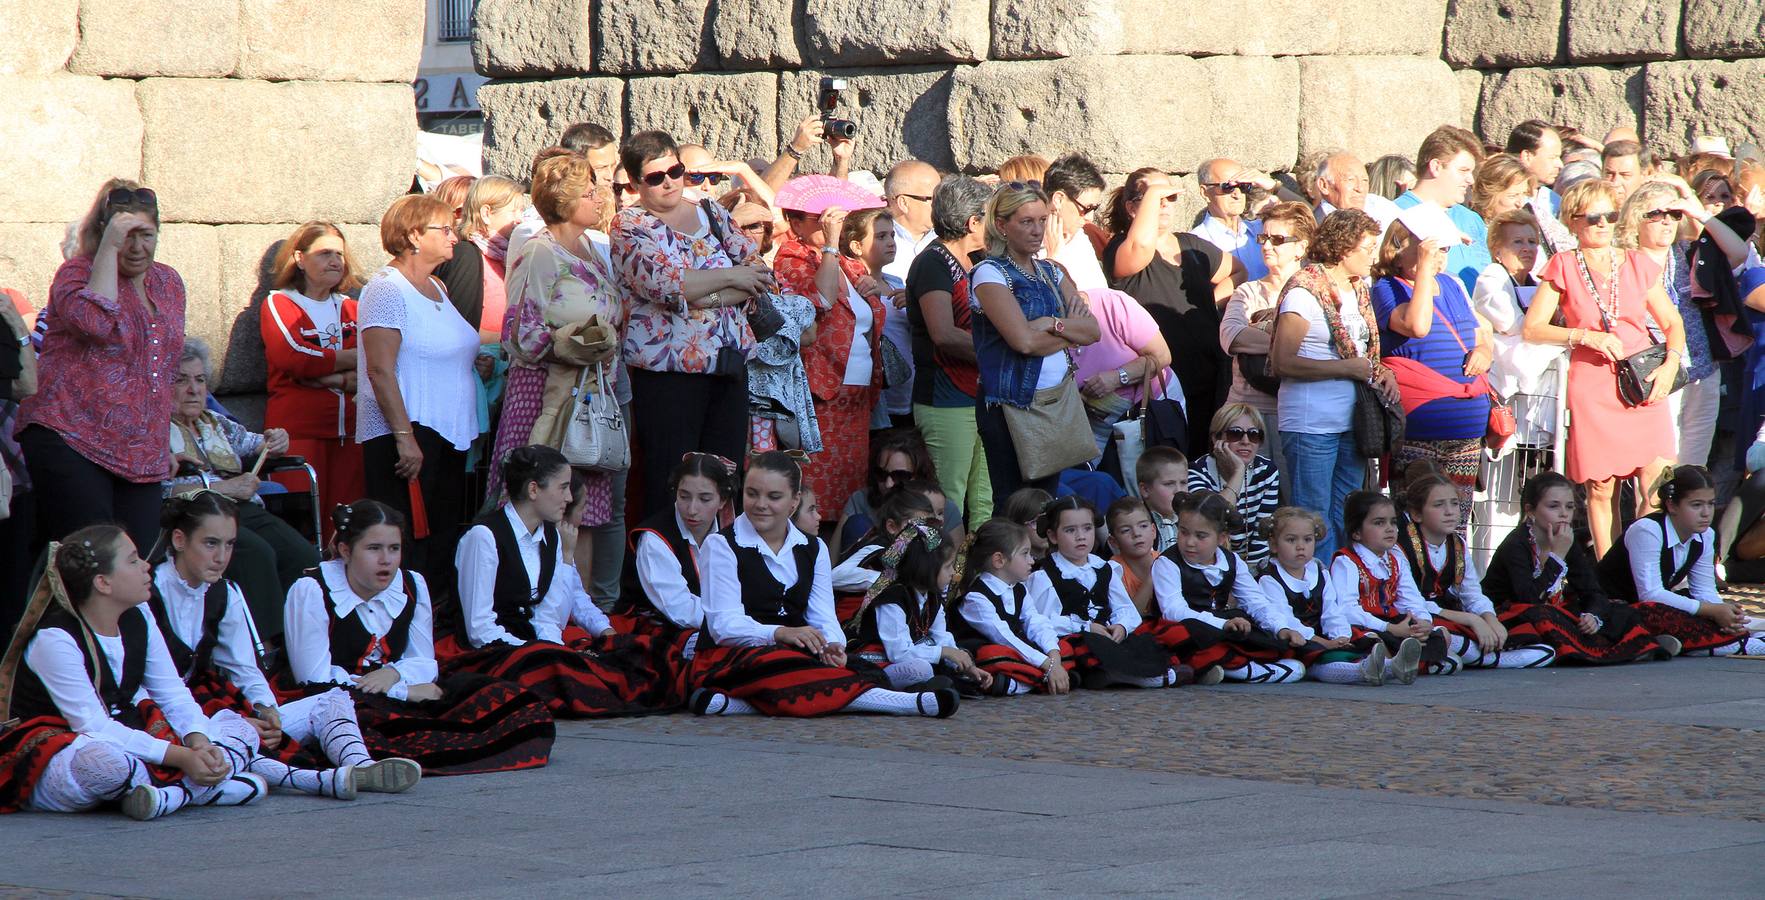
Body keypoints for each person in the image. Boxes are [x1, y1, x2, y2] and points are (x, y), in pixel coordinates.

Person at [0, 527, 344, 818]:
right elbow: (92, 727)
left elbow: (172, 692)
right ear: (103, 582)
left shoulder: (139, 616)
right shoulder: (55, 638)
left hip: (130, 738)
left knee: (238, 729)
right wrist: (182, 757)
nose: (146, 566)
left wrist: (199, 742)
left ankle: (165, 796)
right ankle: (193, 788)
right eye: (133, 560)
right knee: (106, 766)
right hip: (61, 750)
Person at [149, 493, 423, 791]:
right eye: (211, 543)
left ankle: (361, 767)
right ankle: (319, 782)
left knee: (332, 699)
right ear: (179, 540)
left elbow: (245, 669)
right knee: (240, 734)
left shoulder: (225, 592)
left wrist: (267, 710)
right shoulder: (147, 594)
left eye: (229, 544)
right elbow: (144, 687)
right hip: (161, 714)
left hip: (210, 707)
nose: (222, 557)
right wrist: (210, 725)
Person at [282, 500, 556, 775]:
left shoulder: (412, 584)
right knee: (374, 723)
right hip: (336, 697)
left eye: (394, 549)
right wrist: (400, 690)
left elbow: (424, 663)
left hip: (398, 687)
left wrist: (392, 674)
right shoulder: (312, 590)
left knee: (507, 699)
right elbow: (314, 679)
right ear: (345, 550)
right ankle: (374, 766)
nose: (386, 560)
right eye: (373, 549)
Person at [685, 451, 960, 717]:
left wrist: (832, 645)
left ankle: (734, 705)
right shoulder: (721, 545)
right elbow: (723, 625)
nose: (760, 504)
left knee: (818, 664)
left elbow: (823, 616)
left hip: (790, 650)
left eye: (774, 496)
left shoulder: (813, 547)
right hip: (731, 653)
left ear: (794, 502)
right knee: (787, 665)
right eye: (752, 493)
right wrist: (779, 632)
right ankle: (905, 703)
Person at [449, 446, 681, 717]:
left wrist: (554, 648)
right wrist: (538, 651)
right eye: (562, 488)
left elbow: (550, 618)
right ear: (533, 490)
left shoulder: (552, 536)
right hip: (491, 652)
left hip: (531, 646)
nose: (569, 497)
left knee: (636, 653)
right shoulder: (484, 537)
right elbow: (479, 629)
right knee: (564, 675)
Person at [17, 180, 183, 558]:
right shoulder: (75, 275)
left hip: (139, 451)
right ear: (103, 233)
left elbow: (161, 367)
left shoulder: (169, 282)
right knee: (95, 562)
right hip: (70, 435)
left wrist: (161, 440)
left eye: (147, 235)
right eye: (125, 236)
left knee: (137, 561)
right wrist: (107, 247)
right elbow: (94, 322)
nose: (137, 247)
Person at [1521, 179, 1687, 556]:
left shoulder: (1637, 263)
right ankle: (1608, 576)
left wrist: (1669, 365)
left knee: (1659, 485)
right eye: (1592, 217)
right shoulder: (1562, 264)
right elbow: (1532, 328)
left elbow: (1673, 323)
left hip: (1643, 379)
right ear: (1573, 222)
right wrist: (1583, 336)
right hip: (1593, 381)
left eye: (1609, 215)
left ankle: (1650, 569)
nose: (1602, 224)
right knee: (1601, 488)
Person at [613, 131, 774, 517]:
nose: (668, 181)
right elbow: (666, 285)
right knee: (673, 479)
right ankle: (668, 565)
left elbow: (759, 275)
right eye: (655, 177)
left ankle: (716, 567)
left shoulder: (712, 212)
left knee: (724, 476)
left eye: (675, 170)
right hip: (669, 376)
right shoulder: (629, 226)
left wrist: (706, 294)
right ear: (635, 183)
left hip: (728, 366)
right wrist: (730, 277)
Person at [485, 154, 625, 587]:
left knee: (580, 504)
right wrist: (577, 347)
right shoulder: (540, 252)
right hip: (544, 392)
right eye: (588, 192)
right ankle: (525, 596)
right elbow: (519, 331)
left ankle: (573, 608)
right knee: (535, 497)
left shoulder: (591, 249)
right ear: (564, 201)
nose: (599, 198)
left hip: (589, 391)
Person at [357, 193, 481, 601]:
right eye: (444, 229)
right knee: (408, 539)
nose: (454, 238)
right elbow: (380, 368)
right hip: (409, 433)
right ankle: (401, 621)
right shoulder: (386, 289)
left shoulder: (437, 285)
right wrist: (403, 435)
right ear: (413, 235)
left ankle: (435, 626)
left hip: (447, 430)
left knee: (443, 536)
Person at [167, 339, 319, 633]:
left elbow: (259, 442)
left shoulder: (215, 423)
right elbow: (160, 491)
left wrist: (276, 439)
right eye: (181, 380)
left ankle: (305, 637)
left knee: (303, 555)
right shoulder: (153, 430)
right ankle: (269, 645)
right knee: (257, 555)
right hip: (196, 516)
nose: (194, 389)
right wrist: (226, 489)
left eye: (200, 380)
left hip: (241, 509)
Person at [1270, 209, 1394, 557]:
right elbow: (1282, 361)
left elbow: (1364, 353)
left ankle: (1343, 590)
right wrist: (1345, 368)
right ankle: (1317, 595)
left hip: (1350, 422)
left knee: (1347, 516)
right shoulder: (1303, 292)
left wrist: (1382, 372)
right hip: (1311, 423)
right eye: (1368, 247)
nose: (1373, 254)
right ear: (1344, 248)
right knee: (1314, 517)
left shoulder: (1358, 290)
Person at [970, 182, 1101, 500]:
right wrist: (1067, 332)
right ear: (1002, 225)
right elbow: (1024, 343)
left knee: (1045, 501)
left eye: (1042, 220)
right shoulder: (989, 272)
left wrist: (1050, 324)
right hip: (1011, 403)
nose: (1037, 229)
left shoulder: (1052, 271)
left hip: (1054, 400)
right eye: (1026, 221)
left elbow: (1093, 331)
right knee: (1014, 502)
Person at [1370, 206, 1494, 524]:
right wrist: (1423, 268)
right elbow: (1417, 326)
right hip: (1419, 433)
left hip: (1465, 433)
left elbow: (1481, 333)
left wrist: (1483, 350)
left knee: (1455, 524)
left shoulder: (1452, 285)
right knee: (1413, 523)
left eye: (1445, 251)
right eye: (1435, 249)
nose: (1441, 258)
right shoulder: (1386, 288)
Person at [1618, 180, 1751, 469]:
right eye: (1656, 214)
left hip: (1702, 369)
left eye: (1673, 214)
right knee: (1659, 466)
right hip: (1654, 371)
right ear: (1635, 218)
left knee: (1693, 467)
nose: (1667, 221)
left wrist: (1697, 212)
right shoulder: (1623, 262)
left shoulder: (1691, 254)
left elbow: (1739, 252)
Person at [773, 193, 887, 524]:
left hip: (857, 397)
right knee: (817, 489)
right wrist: (832, 243)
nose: (830, 223)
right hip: (820, 394)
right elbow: (820, 301)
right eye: (820, 219)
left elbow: (866, 315)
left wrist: (874, 290)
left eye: (834, 217)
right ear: (795, 224)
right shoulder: (792, 258)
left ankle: (841, 553)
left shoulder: (850, 265)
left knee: (850, 490)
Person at [1481, 472, 1678, 663]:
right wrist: (1556, 556)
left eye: (1569, 507)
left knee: (1619, 610)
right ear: (1530, 510)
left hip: (1550, 610)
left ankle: (1634, 645)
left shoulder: (1567, 538)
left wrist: (1593, 615)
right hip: (1511, 615)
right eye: (1553, 506)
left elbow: (1592, 590)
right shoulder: (1517, 544)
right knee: (1544, 616)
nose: (1563, 514)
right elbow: (1528, 599)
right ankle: (1624, 647)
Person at [1104, 168, 1233, 455]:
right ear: (1131, 206)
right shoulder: (1120, 248)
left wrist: (1209, 305)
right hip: (1161, 384)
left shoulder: (1191, 245)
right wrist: (1154, 193)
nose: (1164, 204)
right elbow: (1141, 245)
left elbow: (1237, 271)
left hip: (1209, 378)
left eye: (1170, 196)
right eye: (1155, 197)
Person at [259, 222, 365, 541]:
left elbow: (375, 359)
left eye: (340, 254)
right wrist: (349, 362)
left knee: (346, 531)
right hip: (300, 433)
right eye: (325, 253)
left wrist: (331, 376)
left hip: (350, 436)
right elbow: (293, 356)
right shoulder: (280, 303)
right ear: (300, 259)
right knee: (300, 529)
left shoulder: (352, 307)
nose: (336, 261)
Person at [1395, 473, 1558, 669]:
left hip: (1450, 614)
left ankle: (1462, 655)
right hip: (1416, 616)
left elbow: (1471, 593)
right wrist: (1471, 619)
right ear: (1416, 514)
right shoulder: (1400, 546)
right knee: (1438, 633)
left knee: (1529, 634)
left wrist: (1490, 619)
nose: (1449, 512)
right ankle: (1493, 659)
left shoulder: (1457, 544)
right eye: (1438, 505)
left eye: (1454, 503)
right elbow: (1408, 602)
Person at [1026, 496, 1191, 689]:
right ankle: (1148, 678)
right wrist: (1085, 627)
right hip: (1076, 636)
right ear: (1053, 536)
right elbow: (1042, 621)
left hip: (1107, 633)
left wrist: (1120, 625)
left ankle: (1117, 674)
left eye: (1087, 528)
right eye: (1070, 530)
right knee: (1087, 647)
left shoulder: (1104, 568)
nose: (1081, 536)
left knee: (1145, 640)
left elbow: (1124, 608)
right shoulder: (1045, 576)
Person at [1599, 467, 1765, 657]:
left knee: (1696, 608)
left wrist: (1723, 613)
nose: (1706, 513)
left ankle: (1676, 642)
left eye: (1710, 504)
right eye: (1696, 505)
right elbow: (1650, 593)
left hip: (1647, 606)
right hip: (1611, 607)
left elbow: (1703, 590)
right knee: (1658, 612)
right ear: (1671, 505)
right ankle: (1734, 645)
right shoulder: (1648, 530)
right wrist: (1711, 610)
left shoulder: (1705, 535)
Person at [905, 175, 993, 521]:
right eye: (991, 217)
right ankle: (944, 571)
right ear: (973, 222)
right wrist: (999, 352)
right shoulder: (933, 262)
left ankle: (982, 571)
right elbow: (943, 333)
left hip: (981, 393)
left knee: (985, 497)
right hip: (945, 396)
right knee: (948, 496)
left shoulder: (981, 260)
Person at [1149, 491, 1305, 684]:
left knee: (1265, 635)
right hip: (1187, 626)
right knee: (1184, 635)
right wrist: (1221, 624)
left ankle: (1223, 668)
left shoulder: (1232, 561)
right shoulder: (1167, 562)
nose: (1189, 542)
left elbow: (1255, 601)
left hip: (1220, 626)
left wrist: (1280, 627)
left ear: (1222, 538)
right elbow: (1174, 610)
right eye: (1183, 532)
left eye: (1201, 536)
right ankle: (1251, 671)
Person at [1257, 507, 1424, 685]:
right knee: (1320, 658)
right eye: (1291, 540)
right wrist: (1323, 642)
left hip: (1322, 634)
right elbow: (1286, 620)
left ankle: (1386, 666)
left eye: (1307, 539)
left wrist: (1340, 636)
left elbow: (1331, 611)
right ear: (1274, 545)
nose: (1301, 546)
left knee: (1360, 642)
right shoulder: (1269, 579)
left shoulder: (1319, 572)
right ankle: (1375, 670)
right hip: (1295, 638)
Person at [846, 520, 993, 691]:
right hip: (876, 661)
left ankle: (933, 685)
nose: (953, 573)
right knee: (921, 669)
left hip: (907, 657)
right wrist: (944, 652)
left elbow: (941, 636)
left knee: (954, 656)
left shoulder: (932, 596)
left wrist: (965, 664)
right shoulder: (893, 598)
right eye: (948, 567)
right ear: (926, 568)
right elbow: (898, 653)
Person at [1330, 491, 1463, 676]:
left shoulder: (1396, 560)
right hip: (1367, 624)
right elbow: (1346, 609)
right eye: (1379, 523)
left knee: (1441, 635)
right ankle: (1401, 665)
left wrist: (1422, 622)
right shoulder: (1346, 561)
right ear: (1356, 532)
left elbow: (1411, 598)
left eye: (1393, 522)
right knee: (1373, 641)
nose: (1390, 528)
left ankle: (1396, 665)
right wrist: (1390, 628)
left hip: (1393, 624)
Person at [1220, 200, 1314, 457]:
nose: (1267, 245)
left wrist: (1261, 332)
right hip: (1247, 415)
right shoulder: (1248, 291)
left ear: (1301, 247)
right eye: (1263, 237)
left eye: (1278, 239)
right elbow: (1232, 337)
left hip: (1299, 413)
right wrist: (1294, 343)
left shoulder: (1318, 291)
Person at [614, 452, 736, 645]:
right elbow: (680, 609)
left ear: (722, 501)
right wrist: (737, 622)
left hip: (717, 623)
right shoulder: (654, 538)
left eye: (705, 499)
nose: (692, 509)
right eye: (684, 496)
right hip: (655, 626)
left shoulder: (733, 533)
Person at [1471, 210, 1566, 447]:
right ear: (1497, 250)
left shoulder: (1538, 284)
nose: (1527, 248)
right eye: (1517, 242)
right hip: (1505, 387)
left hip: (1536, 388)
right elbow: (1513, 324)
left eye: (1532, 242)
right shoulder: (1492, 278)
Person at [949, 518, 1067, 695]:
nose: (1032, 561)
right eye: (1025, 553)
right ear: (999, 560)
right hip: (987, 653)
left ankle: (1031, 681)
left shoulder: (1019, 589)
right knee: (995, 654)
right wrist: (1046, 664)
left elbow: (1035, 622)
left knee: (1065, 645)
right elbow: (1002, 636)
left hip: (1016, 652)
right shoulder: (976, 598)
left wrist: (1054, 657)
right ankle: (1027, 682)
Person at [1072, 283, 1173, 460]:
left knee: (1159, 472)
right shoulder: (1044, 328)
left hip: (1151, 405)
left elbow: (1162, 356)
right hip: (1095, 423)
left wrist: (1117, 378)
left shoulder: (1111, 304)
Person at [840, 207, 910, 432]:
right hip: (875, 396)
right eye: (881, 236)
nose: (891, 242)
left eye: (892, 235)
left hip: (907, 393)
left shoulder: (897, 282)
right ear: (856, 246)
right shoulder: (851, 286)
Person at [1186, 404, 1280, 569]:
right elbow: (1210, 518)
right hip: (1206, 561)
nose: (1245, 441)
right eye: (1235, 434)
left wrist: (1251, 574)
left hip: (1250, 566)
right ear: (1216, 439)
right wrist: (1238, 472)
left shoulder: (1267, 471)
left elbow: (1262, 534)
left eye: (1254, 435)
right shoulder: (1197, 471)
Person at [836, 430, 963, 554]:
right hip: (868, 573)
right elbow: (833, 565)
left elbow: (956, 570)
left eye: (899, 476)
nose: (888, 484)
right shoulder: (860, 500)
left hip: (923, 574)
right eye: (881, 474)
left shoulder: (943, 508)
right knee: (857, 524)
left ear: (919, 476)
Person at [1505, 119, 1576, 257]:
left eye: (1559, 157)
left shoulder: (1555, 201)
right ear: (1527, 156)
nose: (1560, 164)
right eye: (1553, 157)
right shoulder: (1501, 198)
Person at [1043, 153, 1111, 291]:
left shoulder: (1079, 238)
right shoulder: (1024, 239)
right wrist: (1053, 259)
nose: (1090, 218)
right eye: (1086, 208)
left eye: (1095, 208)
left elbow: (1099, 295)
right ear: (1058, 200)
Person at [1309, 150, 1400, 231]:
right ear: (1324, 185)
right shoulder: (1313, 228)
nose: (1360, 189)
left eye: (1365, 180)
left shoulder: (1380, 208)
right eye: (1350, 180)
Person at [1106, 498, 1161, 613]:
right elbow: (1130, 617)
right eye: (1126, 530)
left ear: (1153, 531)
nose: (1136, 534)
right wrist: (1150, 580)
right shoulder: (1114, 571)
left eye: (1143, 526)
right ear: (1113, 541)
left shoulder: (1165, 561)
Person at [1136, 445, 1188, 553]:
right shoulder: (1136, 525)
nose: (1178, 491)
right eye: (1169, 484)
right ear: (1145, 489)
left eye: (1183, 483)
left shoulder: (1192, 520)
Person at [1468, 154, 1534, 224]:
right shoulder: (1468, 227)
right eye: (1513, 196)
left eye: (1524, 194)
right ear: (1489, 196)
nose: (1521, 204)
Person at [1601, 140, 1651, 206]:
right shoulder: (1586, 212)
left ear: (1643, 175)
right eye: (1609, 174)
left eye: (1625, 175)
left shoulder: (1655, 212)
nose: (1615, 183)